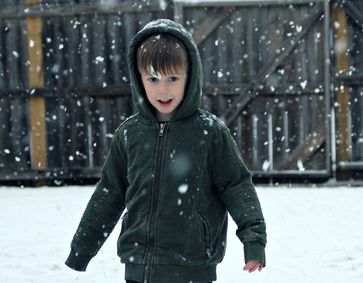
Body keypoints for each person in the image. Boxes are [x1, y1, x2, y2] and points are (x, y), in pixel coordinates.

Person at [65, 19, 266, 283]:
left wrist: (253, 239)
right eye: (153, 78)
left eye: (173, 78)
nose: (163, 89)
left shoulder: (209, 132)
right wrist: (82, 248)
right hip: (137, 268)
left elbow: (236, 186)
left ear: (189, 77)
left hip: (192, 268)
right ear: (140, 80)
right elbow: (110, 193)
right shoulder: (129, 133)